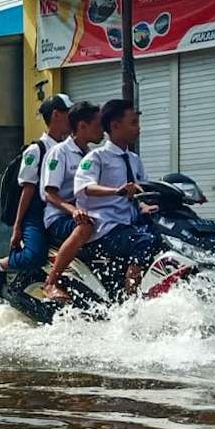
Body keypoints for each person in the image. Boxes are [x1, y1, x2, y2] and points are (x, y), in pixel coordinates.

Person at [0, 93, 73, 296]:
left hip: (60, 212)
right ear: (56, 115)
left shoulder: (68, 149)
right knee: (34, 255)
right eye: (68, 113)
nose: (73, 118)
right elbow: (28, 189)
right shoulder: (37, 150)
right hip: (35, 214)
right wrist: (18, 226)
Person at [75, 98, 157, 295]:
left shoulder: (134, 159)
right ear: (115, 126)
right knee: (145, 241)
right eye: (133, 123)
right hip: (106, 228)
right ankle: (131, 298)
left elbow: (143, 189)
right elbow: (85, 186)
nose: (139, 128)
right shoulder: (96, 157)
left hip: (129, 224)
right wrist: (116, 191)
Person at [40, 101, 104, 302]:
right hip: (59, 217)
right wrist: (73, 210)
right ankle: (51, 282)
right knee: (85, 228)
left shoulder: (94, 155)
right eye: (98, 124)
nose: (102, 129)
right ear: (82, 126)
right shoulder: (60, 152)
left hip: (88, 214)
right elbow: (49, 193)